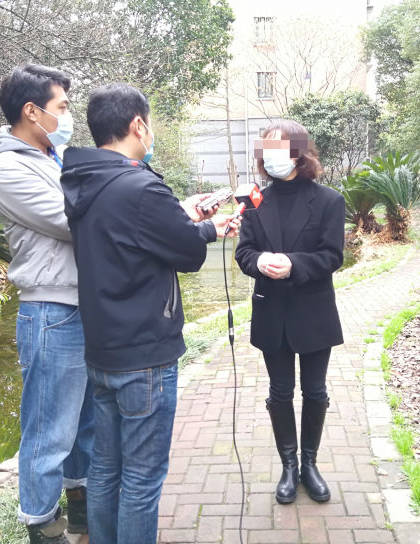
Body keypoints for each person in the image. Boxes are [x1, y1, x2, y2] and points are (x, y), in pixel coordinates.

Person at [60, 83, 239, 544]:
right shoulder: (140, 186)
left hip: (102, 351)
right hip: (144, 355)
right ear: (138, 125)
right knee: (142, 476)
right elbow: (184, 252)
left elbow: (135, 236)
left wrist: (186, 218)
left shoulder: (83, 180)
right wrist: (209, 229)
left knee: (105, 468)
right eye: (150, 123)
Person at [0, 63, 94, 544]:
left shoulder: (56, 157)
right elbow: (74, 222)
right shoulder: (7, 167)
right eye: (61, 107)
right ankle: (43, 527)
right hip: (50, 311)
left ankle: (83, 512)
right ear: (32, 111)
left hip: (83, 304)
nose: (67, 116)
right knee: (49, 431)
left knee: (85, 423)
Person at [235, 119, 345, 504]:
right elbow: (244, 252)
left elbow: (332, 256)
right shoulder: (254, 201)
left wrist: (294, 264)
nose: (272, 157)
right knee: (280, 392)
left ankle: (310, 464)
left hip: (313, 310)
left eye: (280, 148)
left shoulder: (328, 200)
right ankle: (288, 465)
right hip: (272, 311)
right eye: (266, 149)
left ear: (299, 153)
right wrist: (260, 261)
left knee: (315, 390)